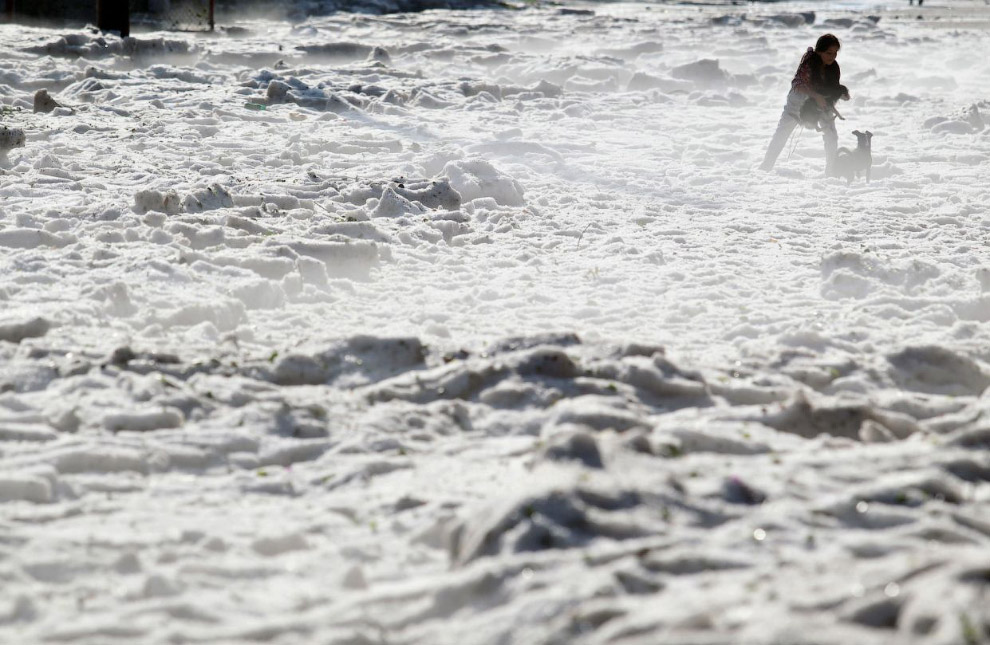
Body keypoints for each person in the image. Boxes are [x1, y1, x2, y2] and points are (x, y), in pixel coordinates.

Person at [759, 34, 850, 174]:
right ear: (819, 51)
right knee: (782, 133)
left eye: (835, 53)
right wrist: (815, 95)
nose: (832, 56)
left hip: (820, 103)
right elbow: (797, 83)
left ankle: (831, 172)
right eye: (828, 53)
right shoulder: (809, 63)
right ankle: (765, 168)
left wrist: (841, 93)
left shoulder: (834, 67)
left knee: (831, 134)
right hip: (798, 101)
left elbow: (832, 88)